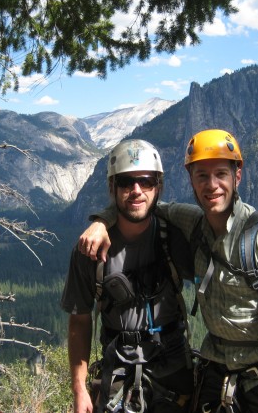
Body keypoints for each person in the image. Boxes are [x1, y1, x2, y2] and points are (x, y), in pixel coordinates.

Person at [78, 129, 258, 413]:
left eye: (221, 174)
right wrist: (101, 220)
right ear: (191, 180)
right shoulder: (194, 224)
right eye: (202, 176)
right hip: (215, 380)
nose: (212, 185)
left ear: (237, 176)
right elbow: (144, 204)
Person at [61, 139, 194, 413]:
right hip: (117, 375)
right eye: (125, 182)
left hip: (174, 373)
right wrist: (79, 389)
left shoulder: (175, 236)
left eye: (145, 181)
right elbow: (79, 320)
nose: (136, 191)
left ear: (158, 187)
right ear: (112, 188)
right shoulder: (89, 249)